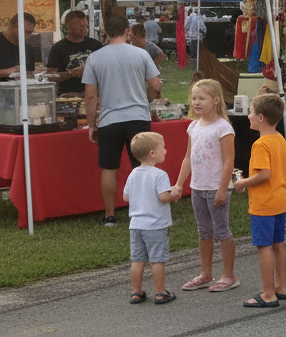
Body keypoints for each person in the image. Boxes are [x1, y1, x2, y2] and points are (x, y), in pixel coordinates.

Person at [83, 17, 162, 227]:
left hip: (110, 119)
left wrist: (91, 125)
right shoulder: (141, 53)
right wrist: (147, 101)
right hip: (138, 116)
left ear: (105, 31)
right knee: (144, 165)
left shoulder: (95, 58)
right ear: (127, 31)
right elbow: (155, 84)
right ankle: (145, 210)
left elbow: (90, 96)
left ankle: (110, 215)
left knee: (109, 168)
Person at [175, 79, 238, 293]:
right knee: (204, 231)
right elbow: (187, 159)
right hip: (198, 187)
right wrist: (179, 184)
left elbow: (229, 161)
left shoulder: (223, 127)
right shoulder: (193, 126)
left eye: (202, 98)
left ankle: (229, 275)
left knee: (222, 230)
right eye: (194, 98)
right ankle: (206, 273)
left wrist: (222, 189)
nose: (196, 102)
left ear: (216, 100)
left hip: (216, 187)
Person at [234, 92, 286, 307]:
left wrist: (241, 183)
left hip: (263, 205)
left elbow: (264, 174)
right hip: (279, 200)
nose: (248, 116)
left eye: (251, 113)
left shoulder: (260, 144)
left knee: (264, 247)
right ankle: (281, 287)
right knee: (279, 244)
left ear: (261, 118)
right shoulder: (279, 139)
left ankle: (268, 294)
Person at [123, 131, 182, 305]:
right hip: (156, 225)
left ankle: (136, 292)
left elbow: (126, 197)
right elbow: (163, 197)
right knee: (157, 260)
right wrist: (174, 193)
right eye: (162, 148)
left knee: (137, 259)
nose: (166, 151)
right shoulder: (159, 174)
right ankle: (160, 292)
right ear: (152, 153)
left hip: (136, 225)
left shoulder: (133, 173)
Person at [46, 10, 103, 97]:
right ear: (69, 26)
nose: (84, 28)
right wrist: (71, 73)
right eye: (80, 25)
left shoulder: (96, 45)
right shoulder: (58, 48)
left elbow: (105, 70)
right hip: (68, 96)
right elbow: (50, 75)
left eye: (86, 25)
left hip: (92, 95)